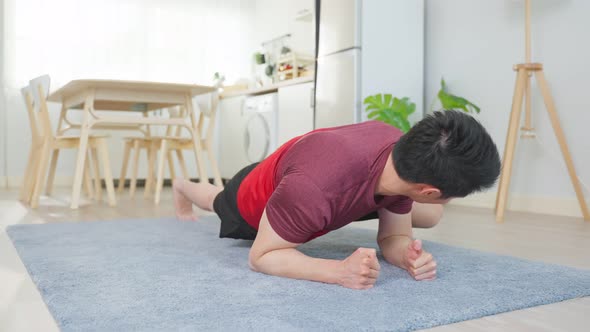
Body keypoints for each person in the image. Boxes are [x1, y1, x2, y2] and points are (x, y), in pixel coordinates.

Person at [173, 110, 501, 290]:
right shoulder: (313, 190)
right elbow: (261, 257)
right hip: (254, 196)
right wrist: (338, 271)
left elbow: (393, 236)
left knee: (429, 217)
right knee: (216, 199)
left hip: (319, 177)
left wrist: (406, 256)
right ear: (428, 191)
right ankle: (181, 185)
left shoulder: (402, 157)